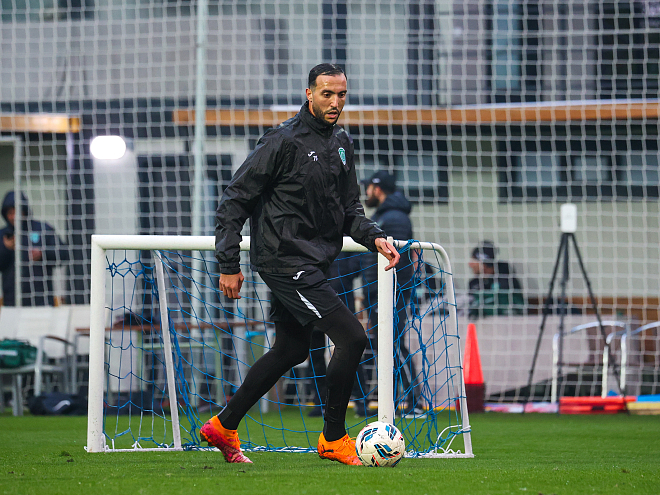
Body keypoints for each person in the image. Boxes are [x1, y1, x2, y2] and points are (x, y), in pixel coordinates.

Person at [200, 63, 400, 465]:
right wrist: (228, 263)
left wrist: (374, 236)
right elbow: (234, 200)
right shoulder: (282, 140)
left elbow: (350, 209)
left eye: (341, 95)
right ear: (309, 94)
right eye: (327, 94)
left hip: (314, 262)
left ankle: (223, 425)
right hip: (283, 259)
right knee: (352, 338)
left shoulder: (341, 142)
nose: (335, 102)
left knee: (292, 349)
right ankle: (333, 438)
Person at [358, 171, 420, 416]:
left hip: (390, 291)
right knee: (386, 345)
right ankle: (395, 403)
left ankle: (413, 402)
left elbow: (399, 260)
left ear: (377, 189)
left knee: (393, 343)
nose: (366, 193)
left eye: (368, 188)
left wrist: (384, 289)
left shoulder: (393, 217)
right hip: (379, 291)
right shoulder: (385, 215)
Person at [0, 191, 69, 306]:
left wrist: (43, 254)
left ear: (24, 210)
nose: (14, 217)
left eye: (17, 212)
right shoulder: (3, 235)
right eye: (10, 213)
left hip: (41, 301)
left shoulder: (42, 229)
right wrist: (5, 249)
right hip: (12, 302)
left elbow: (64, 255)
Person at [468, 241, 525, 318]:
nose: (470, 264)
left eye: (474, 260)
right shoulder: (474, 283)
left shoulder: (506, 278)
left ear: (483, 262)